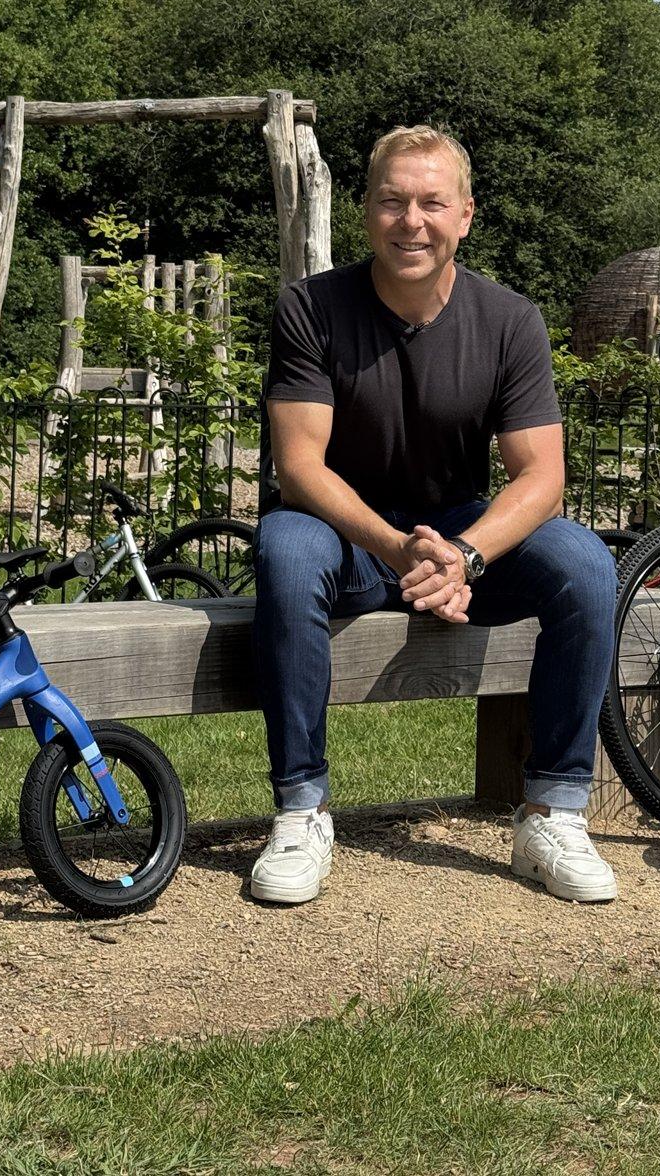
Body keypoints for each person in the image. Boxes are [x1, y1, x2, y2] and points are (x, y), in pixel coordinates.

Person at [250, 124, 618, 906]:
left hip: (458, 534)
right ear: (365, 212)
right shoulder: (309, 309)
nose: (409, 220)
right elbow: (301, 467)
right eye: (391, 201)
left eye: (430, 203)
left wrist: (464, 556)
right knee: (284, 550)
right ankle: (301, 809)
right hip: (345, 537)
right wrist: (393, 547)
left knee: (586, 564)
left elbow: (542, 475)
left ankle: (551, 812)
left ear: (465, 216)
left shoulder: (510, 318)